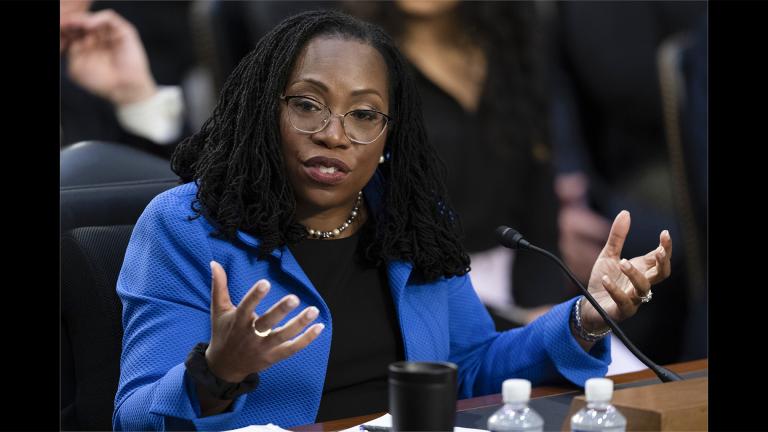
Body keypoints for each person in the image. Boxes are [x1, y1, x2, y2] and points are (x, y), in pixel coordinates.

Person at [113, 10, 673, 430]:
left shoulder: (410, 221)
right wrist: (217, 371)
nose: (334, 133)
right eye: (307, 104)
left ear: (386, 139)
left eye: (363, 114)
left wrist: (584, 319)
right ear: (265, 109)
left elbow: (470, 368)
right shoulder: (185, 227)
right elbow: (133, 419)